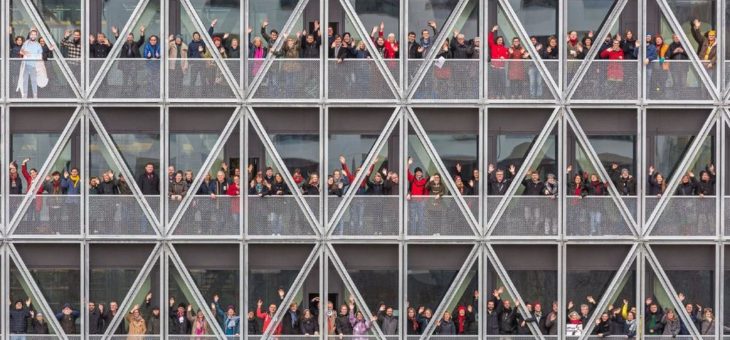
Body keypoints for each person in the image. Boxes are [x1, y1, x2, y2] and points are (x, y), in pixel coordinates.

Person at [17, 29, 45, 99]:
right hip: (25, 65)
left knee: (34, 80)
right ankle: (24, 95)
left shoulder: (38, 45)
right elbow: (21, 52)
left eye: (34, 35)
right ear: (29, 35)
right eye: (32, 34)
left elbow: (40, 56)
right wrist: (25, 53)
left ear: (36, 36)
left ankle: (35, 96)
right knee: (25, 80)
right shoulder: (26, 43)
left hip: (34, 66)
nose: (33, 36)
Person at [489, 26, 509, 98]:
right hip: (494, 68)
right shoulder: (493, 46)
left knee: (503, 83)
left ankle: (502, 95)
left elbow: (507, 57)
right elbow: (490, 39)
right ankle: (496, 95)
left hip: (501, 68)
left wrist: (504, 57)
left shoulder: (505, 49)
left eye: (501, 40)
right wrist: (492, 31)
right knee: (495, 82)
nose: (500, 41)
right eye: (498, 40)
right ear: (496, 41)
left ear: (502, 41)